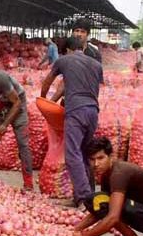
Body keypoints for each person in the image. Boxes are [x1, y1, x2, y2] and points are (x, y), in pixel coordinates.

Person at [40, 36, 103, 208]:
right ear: (82, 48)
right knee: (84, 152)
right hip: (93, 111)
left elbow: (47, 82)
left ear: (67, 49)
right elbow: (92, 88)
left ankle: (84, 198)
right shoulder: (96, 65)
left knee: (72, 154)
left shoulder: (64, 60)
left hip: (76, 111)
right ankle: (84, 196)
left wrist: (44, 100)